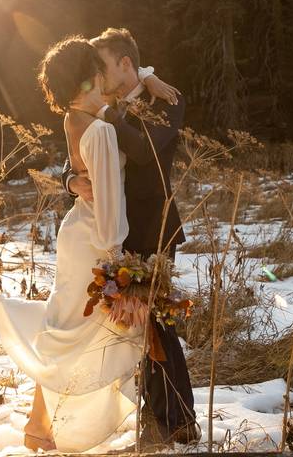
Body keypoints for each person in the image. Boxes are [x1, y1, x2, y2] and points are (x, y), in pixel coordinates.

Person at [0, 37, 144, 452]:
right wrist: (119, 265)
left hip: (74, 234)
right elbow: (108, 207)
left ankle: (38, 427)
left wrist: (148, 80)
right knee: (75, 337)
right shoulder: (101, 131)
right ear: (92, 75)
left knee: (61, 330)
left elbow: (88, 180)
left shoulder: (74, 118)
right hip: (93, 243)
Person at [62, 28, 199, 449]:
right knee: (137, 324)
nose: (97, 78)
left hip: (153, 226)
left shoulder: (165, 99)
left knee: (157, 320)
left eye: (102, 67)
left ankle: (173, 420)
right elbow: (76, 162)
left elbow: (144, 152)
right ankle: (162, 417)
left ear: (126, 64)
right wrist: (71, 182)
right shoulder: (109, 106)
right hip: (117, 229)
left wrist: (107, 113)